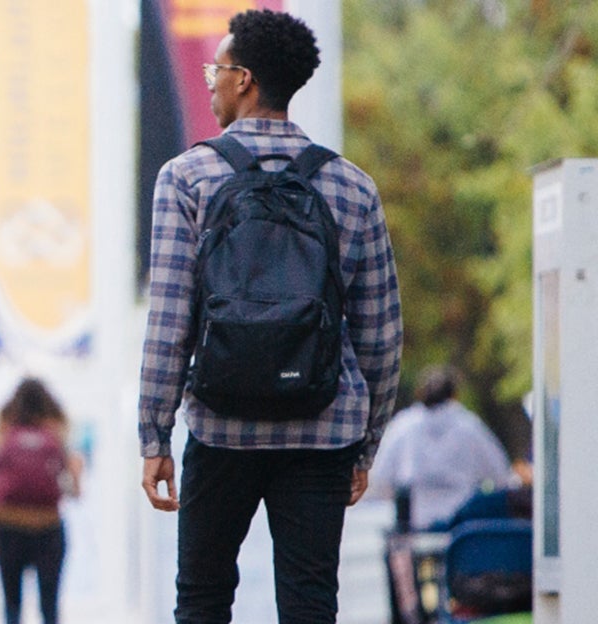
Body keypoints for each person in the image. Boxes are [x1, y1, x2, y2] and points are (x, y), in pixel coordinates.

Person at [137, 9, 403, 623]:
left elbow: (170, 320)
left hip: (221, 425)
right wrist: (363, 446)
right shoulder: (351, 186)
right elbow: (381, 333)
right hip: (320, 430)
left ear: (245, 80)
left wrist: (155, 435)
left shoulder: (187, 177)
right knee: (310, 605)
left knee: (202, 598)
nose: (207, 80)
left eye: (217, 68)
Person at [0, 379, 83, 624]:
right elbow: (75, 489)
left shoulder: (3, 429)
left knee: (12, 606)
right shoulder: (56, 430)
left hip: (7, 526)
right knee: (50, 607)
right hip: (49, 527)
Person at [370, 367, 514, 530]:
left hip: (412, 524)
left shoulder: (402, 426)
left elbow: (380, 478)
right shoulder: (470, 426)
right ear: (455, 395)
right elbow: (501, 474)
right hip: (459, 525)